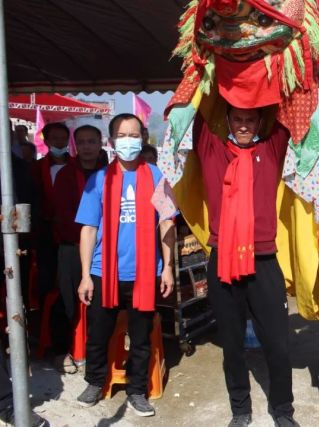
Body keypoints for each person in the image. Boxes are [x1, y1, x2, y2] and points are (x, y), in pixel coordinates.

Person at [194, 105, 297, 427]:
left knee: (278, 345)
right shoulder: (212, 151)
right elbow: (198, 109)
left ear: (259, 122)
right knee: (232, 344)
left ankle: (283, 410)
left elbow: (285, 112)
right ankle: (240, 410)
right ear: (226, 121)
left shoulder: (270, 150)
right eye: (237, 119)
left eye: (249, 120)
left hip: (264, 260)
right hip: (223, 257)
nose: (242, 125)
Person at [75, 114, 176, 417]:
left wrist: (168, 267)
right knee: (98, 334)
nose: (129, 140)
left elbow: (167, 223)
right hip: (104, 272)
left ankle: (136, 391)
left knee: (141, 337)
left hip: (145, 273)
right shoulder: (98, 179)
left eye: (134, 135)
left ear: (143, 138)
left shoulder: (157, 176)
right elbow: (89, 229)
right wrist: (84, 276)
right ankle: (94, 381)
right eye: (122, 135)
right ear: (112, 141)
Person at [50, 125, 106, 374]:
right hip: (72, 247)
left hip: (103, 248)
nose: (87, 147)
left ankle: (97, 353)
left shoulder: (111, 173)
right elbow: (62, 214)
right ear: (76, 145)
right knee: (67, 300)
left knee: (102, 303)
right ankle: (62, 351)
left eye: (91, 141)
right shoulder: (65, 175)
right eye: (82, 142)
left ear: (100, 143)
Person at [32, 123, 71, 311]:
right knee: (47, 276)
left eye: (63, 138)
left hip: (72, 234)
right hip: (47, 232)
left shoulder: (76, 166)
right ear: (46, 141)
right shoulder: (37, 168)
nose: (60, 142)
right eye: (55, 138)